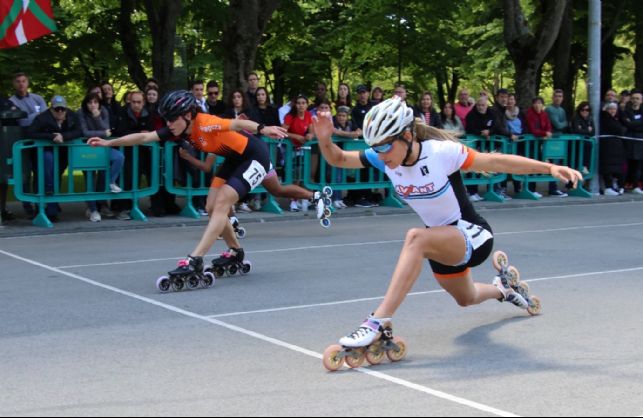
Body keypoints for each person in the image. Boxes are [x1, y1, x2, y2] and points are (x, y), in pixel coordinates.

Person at [312, 97, 582, 352]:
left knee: (415, 238)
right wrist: (325, 139)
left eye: (384, 147)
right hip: (440, 243)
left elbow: (497, 161)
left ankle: (377, 321)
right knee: (466, 298)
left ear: (407, 136)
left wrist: (548, 169)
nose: (380, 155)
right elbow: (338, 158)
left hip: (472, 235)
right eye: (376, 148)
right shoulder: (385, 159)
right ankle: (503, 289)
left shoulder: (441, 153)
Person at [88, 90, 287, 279]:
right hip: (233, 159)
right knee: (211, 207)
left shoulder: (206, 122)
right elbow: (145, 137)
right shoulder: (178, 127)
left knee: (221, 204)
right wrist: (108, 143)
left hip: (255, 157)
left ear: (188, 115)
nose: (169, 123)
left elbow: (235, 124)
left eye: (172, 118)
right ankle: (235, 251)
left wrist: (264, 129)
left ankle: (196, 259)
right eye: (167, 119)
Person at [27, 96, 83, 221]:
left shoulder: (72, 116)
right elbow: (31, 133)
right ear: (51, 109)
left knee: (56, 177)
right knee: (42, 178)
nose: (60, 111)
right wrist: (51, 136)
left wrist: (64, 136)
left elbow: (79, 131)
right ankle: (41, 209)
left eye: (62, 109)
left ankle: (52, 209)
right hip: (43, 154)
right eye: (57, 109)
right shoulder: (41, 118)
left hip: (62, 154)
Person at [78, 93, 125, 221]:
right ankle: (93, 210)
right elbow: (85, 132)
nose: (93, 105)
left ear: (99, 103)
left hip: (103, 147)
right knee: (90, 180)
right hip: (87, 150)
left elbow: (107, 129)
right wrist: (102, 133)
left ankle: (111, 181)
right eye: (90, 102)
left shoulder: (103, 111)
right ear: (86, 104)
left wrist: (97, 117)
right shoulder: (81, 112)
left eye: (95, 102)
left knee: (119, 157)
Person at [599, 102, 627, 196]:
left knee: (616, 168)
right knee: (607, 167)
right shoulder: (605, 118)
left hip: (615, 147)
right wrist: (622, 129)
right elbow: (619, 129)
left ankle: (614, 186)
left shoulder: (615, 118)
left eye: (614, 109)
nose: (612, 111)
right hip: (608, 147)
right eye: (610, 109)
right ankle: (607, 187)